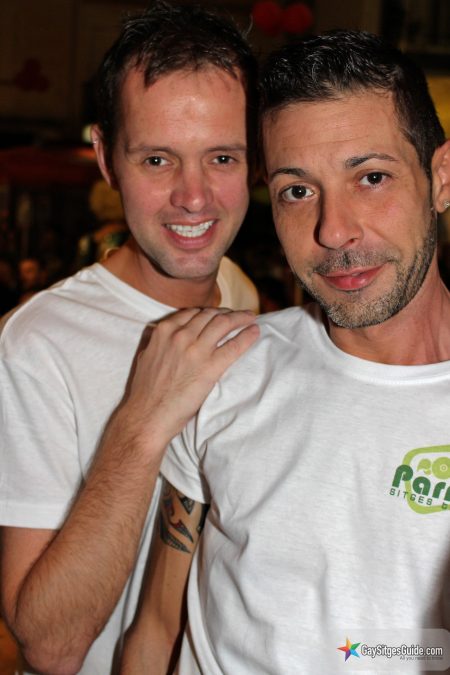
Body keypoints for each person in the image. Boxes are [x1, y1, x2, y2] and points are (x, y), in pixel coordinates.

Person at [122, 30, 450, 673]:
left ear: (441, 178)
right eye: (297, 191)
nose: (334, 230)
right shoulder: (219, 370)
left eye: (371, 178)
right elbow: (157, 626)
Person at [0, 3, 260, 674]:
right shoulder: (37, 344)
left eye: (221, 157)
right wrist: (142, 422)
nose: (194, 197)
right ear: (106, 158)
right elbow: (51, 646)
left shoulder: (245, 298)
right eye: (157, 159)